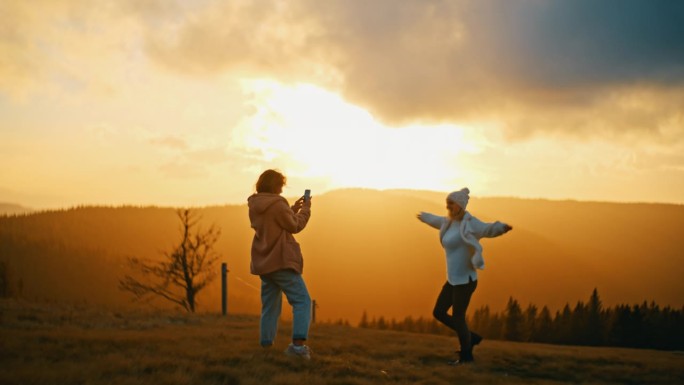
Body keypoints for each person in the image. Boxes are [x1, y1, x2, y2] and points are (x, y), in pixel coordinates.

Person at [417, 187, 512, 365]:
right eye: (447, 205)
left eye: (451, 205)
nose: (448, 208)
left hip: (466, 281)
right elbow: (436, 220)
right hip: (452, 280)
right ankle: (470, 337)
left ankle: (466, 356)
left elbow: (487, 229)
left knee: (458, 317)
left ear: (460, 205)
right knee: (438, 312)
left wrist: (502, 228)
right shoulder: (448, 222)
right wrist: (425, 217)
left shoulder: (471, 223)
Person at [248, 169, 313, 359]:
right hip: (281, 261)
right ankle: (298, 347)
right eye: (281, 185)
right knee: (302, 301)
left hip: (264, 261)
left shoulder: (254, 204)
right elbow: (295, 226)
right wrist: (306, 209)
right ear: (276, 185)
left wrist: (291, 209)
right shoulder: (277, 204)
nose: (282, 189)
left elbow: (273, 221)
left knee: (270, 306)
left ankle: (266, 346)